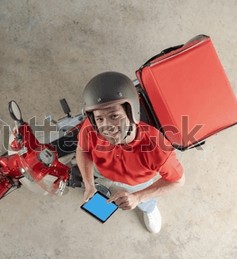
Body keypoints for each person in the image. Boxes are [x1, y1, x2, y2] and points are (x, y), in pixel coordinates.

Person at [76, 71, 185, 233]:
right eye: (100, 119)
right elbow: (83, 149)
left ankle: (148, 208)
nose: (107, 127)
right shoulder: (91, 127)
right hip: (101, 172)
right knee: (98, 194)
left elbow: (177, 181)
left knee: (145, 200)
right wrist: (89, 184)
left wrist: (138, 197)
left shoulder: (157, 147)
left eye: (114, 115)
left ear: (131, 111)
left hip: (137, 183)